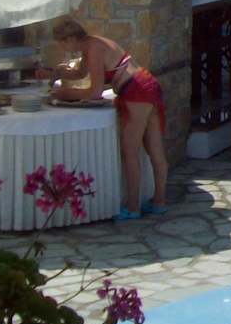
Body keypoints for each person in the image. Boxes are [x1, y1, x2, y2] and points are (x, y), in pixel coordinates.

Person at [43, 17, 169, 220]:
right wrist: (56, 72)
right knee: (155, 149)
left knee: (130, 152)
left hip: (136, 91)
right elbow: (80, 73)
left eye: (61, 43)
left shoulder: (93, 49)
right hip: (147, 84)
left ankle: (133, 207)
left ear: (71, 39)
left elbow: (95, 92)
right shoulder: (92, 44)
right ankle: (159, 201)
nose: (61, 47)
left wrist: (65, 94)